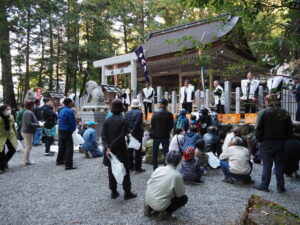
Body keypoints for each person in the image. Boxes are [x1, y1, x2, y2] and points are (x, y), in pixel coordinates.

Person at [254, 94, 293, 193]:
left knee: (267, 164)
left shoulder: (263, 112)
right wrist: (285, 139)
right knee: (279, 164)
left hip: (266, 141)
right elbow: (290, 129)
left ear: (267, 101)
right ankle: (280, 187)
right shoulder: (284, 112)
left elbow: (257, 129)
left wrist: (259, 140)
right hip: (281, 141)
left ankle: (264, 185)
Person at [102, 99, 137, 200]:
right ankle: (127, 192)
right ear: (121, 108)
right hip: (121, 149)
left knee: (111, 170)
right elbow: (122, 136)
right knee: (124, 169)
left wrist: (107, 147)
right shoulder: (123, 120)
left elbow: (103, 136)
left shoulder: (107, 120)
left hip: (109, 150)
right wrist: (111, 146)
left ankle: (113, 192)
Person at [144, 151, 188, 220]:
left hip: (148, 199)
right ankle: (165, 212)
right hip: (160, 205)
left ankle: (149, 208)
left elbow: (149, 183)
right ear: (178, 162)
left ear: (166, 159)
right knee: (184, 198)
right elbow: (180, 194)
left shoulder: (158, 169)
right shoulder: (177, 175)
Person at [151, 98, 174, 170]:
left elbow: (152, 124)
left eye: (159, 103)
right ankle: (165, 167)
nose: (158, 105)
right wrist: (168, 132)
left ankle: (155, 168)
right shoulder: (169, 114)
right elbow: (171, 125)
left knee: (155, 153)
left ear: (162, 104)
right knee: (166, 153)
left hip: (156, 136)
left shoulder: (155, 113)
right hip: (165, 135)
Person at [56, 98, 77, 170]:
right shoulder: (69, 111)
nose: (72, 104)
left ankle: (59, 160)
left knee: (62, 146)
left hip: (61, 129)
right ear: (69, 103)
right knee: (69, 147)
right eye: (72, 102)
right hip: (67, 130)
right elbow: (72, 121)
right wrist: (73, 128)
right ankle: (68, 165)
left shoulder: (61, 110)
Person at [125, 99, 145, 172]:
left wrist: (129, 132)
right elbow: (137, 123)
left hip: (129, 134)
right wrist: (133, 131)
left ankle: (130, 166)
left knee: (130, 150)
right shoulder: (139, 113)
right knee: (138, 151)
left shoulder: (127, 113)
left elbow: (125, 123)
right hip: (137, 134)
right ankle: (137, 167)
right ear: (138, 106)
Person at [21, 101, 41, 165]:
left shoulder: (28, 112)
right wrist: (38, 125)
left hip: (27, 131)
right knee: (28, 147)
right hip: (27, 132)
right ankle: (26, 161)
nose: (34, 106)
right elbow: (29, 123)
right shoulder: (28, 112)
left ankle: (26, 160)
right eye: (33, 105)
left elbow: (30, 122)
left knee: (28, 146)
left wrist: (38, 123)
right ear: (31, 106)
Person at [0, 105, 17, 172]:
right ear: (2, 110)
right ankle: (2, 167)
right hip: (1, 137)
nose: (9, 110)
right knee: (1, 152)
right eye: (7, 109)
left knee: (13, 149)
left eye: (9, 109)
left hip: (10, 135)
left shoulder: (11, 117)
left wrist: (15, 135)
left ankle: (4, 162)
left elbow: (13, 127)